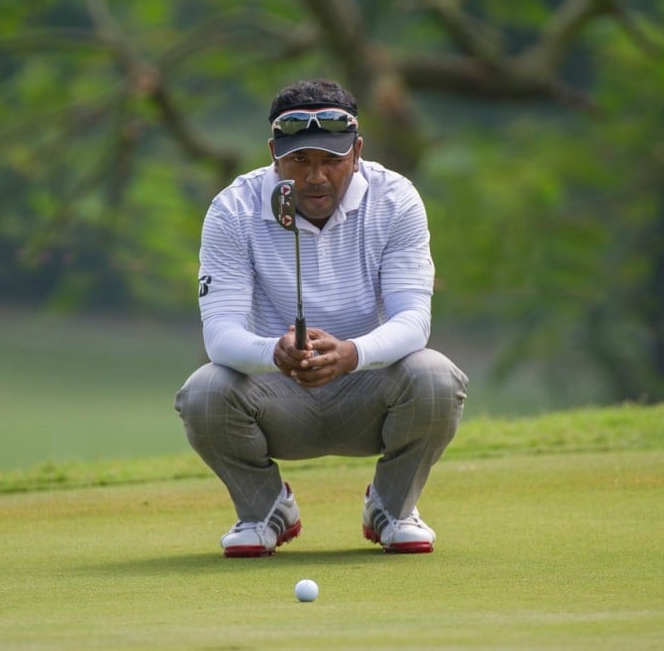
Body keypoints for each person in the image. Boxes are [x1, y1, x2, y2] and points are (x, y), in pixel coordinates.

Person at [174, 78, 468, 557]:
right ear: (274, 153)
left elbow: (414, 320)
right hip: (275, 396)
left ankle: (392, 508)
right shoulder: (232, 208)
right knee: (204, 390)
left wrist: (353, 353)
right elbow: (220, 336)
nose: (315, 177)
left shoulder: (396, 199)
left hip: (369, 391)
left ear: (357, 152)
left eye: (332, 161)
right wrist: (274, 352)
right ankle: (263, 508)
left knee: (434, 374)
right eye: (300, 161)